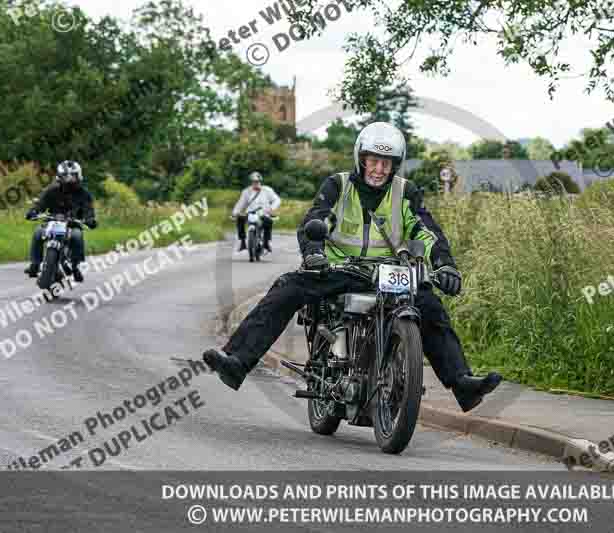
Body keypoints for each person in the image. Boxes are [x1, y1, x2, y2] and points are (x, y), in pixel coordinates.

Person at [204, 122, 502, 413]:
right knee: (287, 288)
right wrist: (314, 254)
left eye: (387, 163)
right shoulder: (338, 185)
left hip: (388, 273)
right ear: (361, 159)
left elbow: (427, 231)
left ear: (395, 165)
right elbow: (316, 219)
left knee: (429, 305)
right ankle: (237, 361)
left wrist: (445, 266)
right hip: (339, 268)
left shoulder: (406, 192)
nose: (379, 169)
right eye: (373, 161)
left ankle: (461, 382)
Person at [24, 160, 97, 282]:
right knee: (37, 232)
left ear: (78, 176)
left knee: (77, 236)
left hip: (72, 224)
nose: (69, 179)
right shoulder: (51, 190)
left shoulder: (84, 194)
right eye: (66, 176)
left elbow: (88, 210)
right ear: (59, 176)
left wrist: (90, 219)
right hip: (52, 221)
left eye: (72, 176)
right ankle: (35, 264)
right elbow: (40, 204)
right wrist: (33, 212)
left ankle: (75, 266)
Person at [231, 172, 281, 253]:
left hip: (263, 213)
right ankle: (243, 242)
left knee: (268, 221)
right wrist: (235, 212)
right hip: (250, 214)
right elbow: (240, 204)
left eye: (257, 181)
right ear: (251, 182)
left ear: (260, 181)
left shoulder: (267, 190)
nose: (255, 183)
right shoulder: (246, 192)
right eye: (254, 181)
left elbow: (277, 200)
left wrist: (271, 209)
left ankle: (266, 242)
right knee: (240, 219)